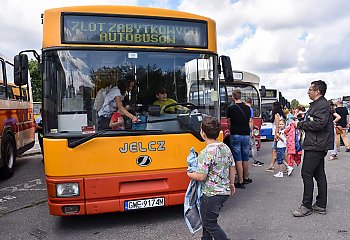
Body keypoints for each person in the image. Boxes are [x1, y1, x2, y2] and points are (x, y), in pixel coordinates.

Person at [187, 116, 236, 240]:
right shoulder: (225, 147)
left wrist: (189, 173)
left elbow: (201, 176)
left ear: (203, 133)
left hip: (211, 194)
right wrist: (231, 184)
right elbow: (232, 167)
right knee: (207, 222)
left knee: (210, 224)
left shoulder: (206, 153)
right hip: (224, 192)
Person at [292, 80, 334, 217]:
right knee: (319, 174)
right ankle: (321, 204)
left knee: (306, 173)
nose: (308, 92)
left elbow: (319, 124)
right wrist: (304, 118)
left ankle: (306, 205)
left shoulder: (322, 105)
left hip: (316, 145)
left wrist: (300, 124)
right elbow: (314, 120)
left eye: (310, 89)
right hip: (316, 144)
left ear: (318, 91)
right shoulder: (319, 104)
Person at [227, 89, 252, 189]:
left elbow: (229, 123)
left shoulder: (231, 108)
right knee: (245, 157)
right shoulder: (247, 108)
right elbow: (249, 121)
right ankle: (246, 177)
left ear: (233, 97)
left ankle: (240, 181)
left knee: (238, 158)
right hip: (246, 134)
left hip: (236, 134)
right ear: (241, 96)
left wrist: (232, 129)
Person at [265, 102, 292, 175]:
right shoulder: (282, 115)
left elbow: (277, 126)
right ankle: (273, 165)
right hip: (281, 135)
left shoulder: (276, 115)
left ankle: (288, 166)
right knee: (278, 151)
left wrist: (275, 136)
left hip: (278, 135)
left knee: (277, 151)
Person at [245, 97, 263, 167]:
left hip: (242, 130)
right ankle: (255, 160)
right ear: (251, 102)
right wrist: (252, 130)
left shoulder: (242, 108)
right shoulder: (250, 109)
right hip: (248, 130)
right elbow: (251, 121)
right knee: (253, 146)